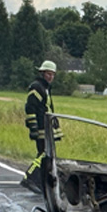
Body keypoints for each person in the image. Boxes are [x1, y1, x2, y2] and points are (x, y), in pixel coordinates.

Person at [23, 60, 62, 190]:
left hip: (47, 128)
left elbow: (47, 108)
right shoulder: (37, 87)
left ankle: (39, 181)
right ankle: (29, 178)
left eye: (53, 74)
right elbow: (30, 108)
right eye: (48, 74)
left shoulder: (45, 88)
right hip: (41, 128)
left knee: (47, 155)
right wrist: (33, 128)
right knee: (43, 154)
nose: (51, 77)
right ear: (42, 73)